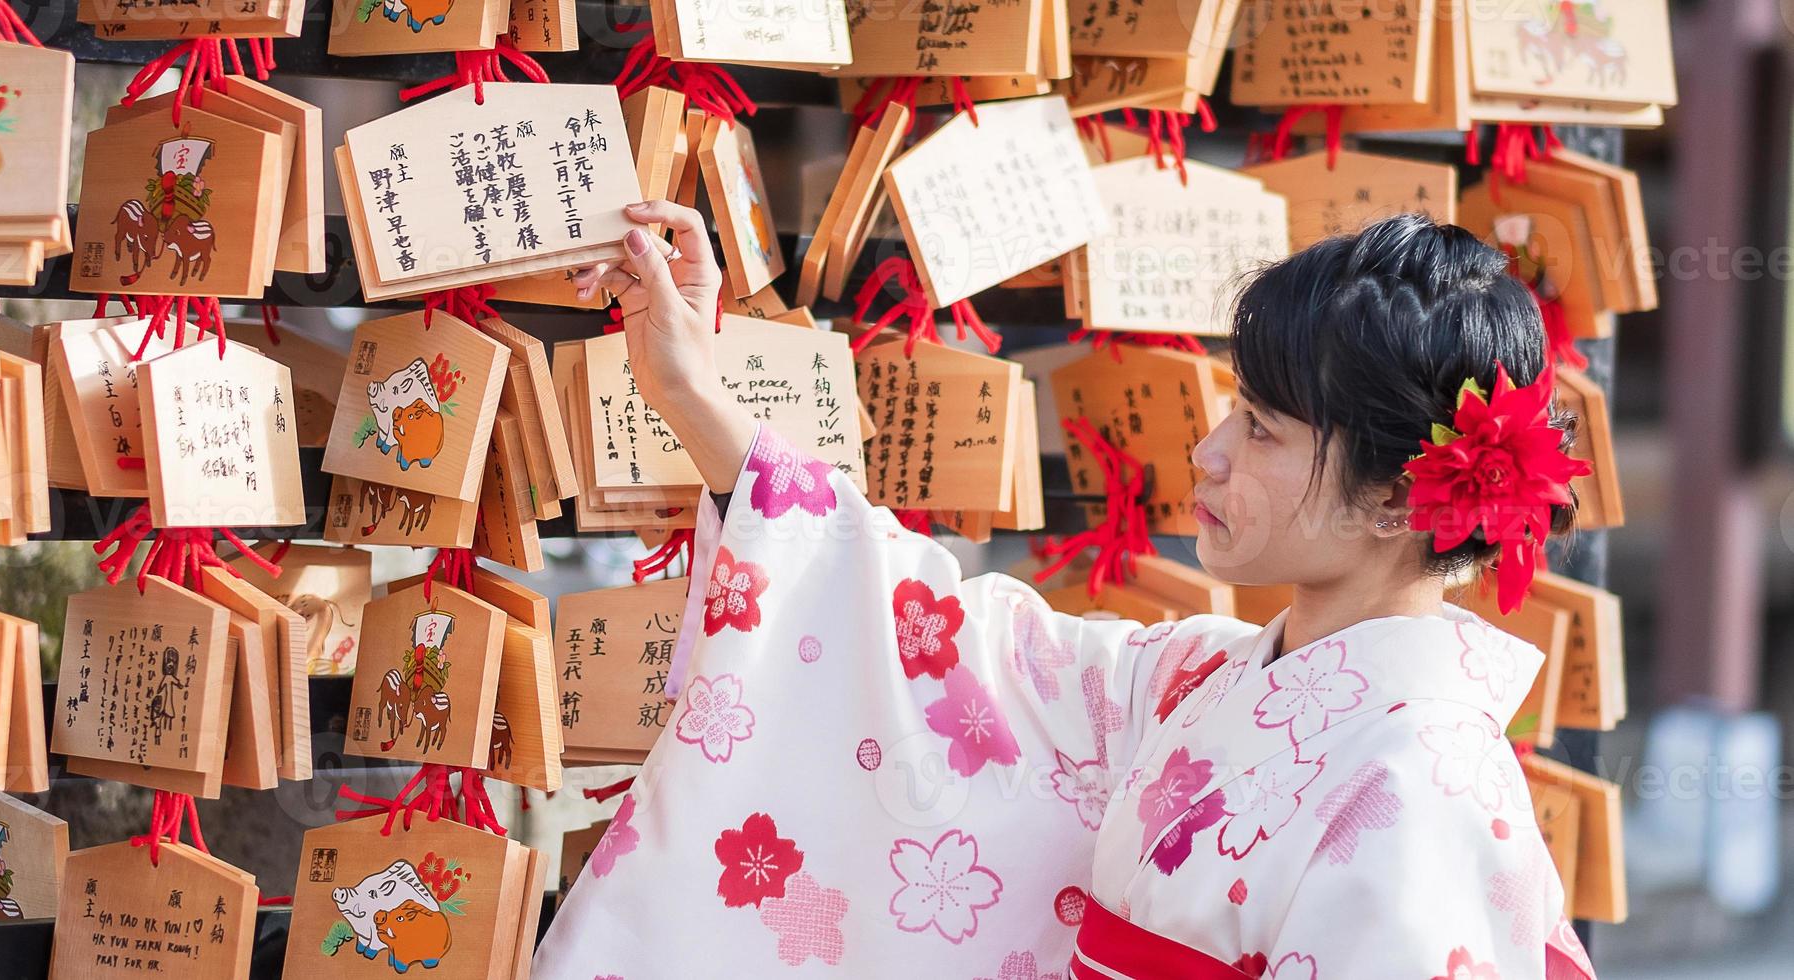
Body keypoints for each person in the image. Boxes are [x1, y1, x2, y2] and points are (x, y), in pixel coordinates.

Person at [533, 204, 1600, 979]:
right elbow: (932, 636)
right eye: (1235, 412)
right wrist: (690, 388)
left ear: (1393, 499)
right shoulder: (1193, 682)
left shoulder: (1422, 782)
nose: (1211, 452)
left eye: (1264, 430)